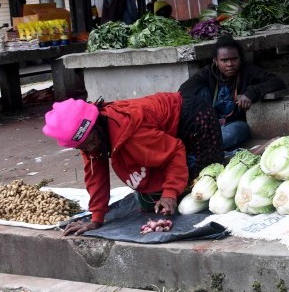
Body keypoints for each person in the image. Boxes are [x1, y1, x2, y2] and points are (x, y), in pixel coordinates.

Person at [42, 94, 225, 236]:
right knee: (152, 199)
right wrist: (96, 218)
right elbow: (95, 174)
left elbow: (174, 150)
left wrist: (170, 192)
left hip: (194, 118)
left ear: (97, 125)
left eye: (91, 142)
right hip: (163, 136)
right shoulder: (90, 139)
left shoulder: (130, 130)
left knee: (200, 184)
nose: (91, 148)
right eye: (83, 147)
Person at [179, 35, 285, 151]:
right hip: (210, 123)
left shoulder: (248, 71)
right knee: (199, 91)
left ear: (240, 59)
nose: (230, 64)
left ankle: (204, 147)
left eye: (234, 59)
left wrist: (251, 93)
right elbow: (183, 91)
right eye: (224, 60)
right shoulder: (207, 72)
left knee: (236, 132)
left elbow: (277, 82)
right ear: (215, 61)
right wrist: (207, 117)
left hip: (234, 124)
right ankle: (206, 145)